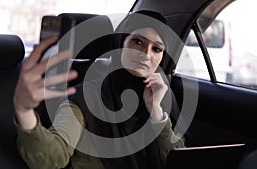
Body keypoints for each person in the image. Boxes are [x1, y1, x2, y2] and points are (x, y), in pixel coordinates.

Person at [13, 10, 185, 169]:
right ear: (120, 42)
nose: (146, 54)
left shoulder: (161, 95)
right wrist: (24, 109)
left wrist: (155, 112)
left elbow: (182, 161)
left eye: (157, 49)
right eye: (137, 41)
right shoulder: (85, 98)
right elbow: (51, 158)